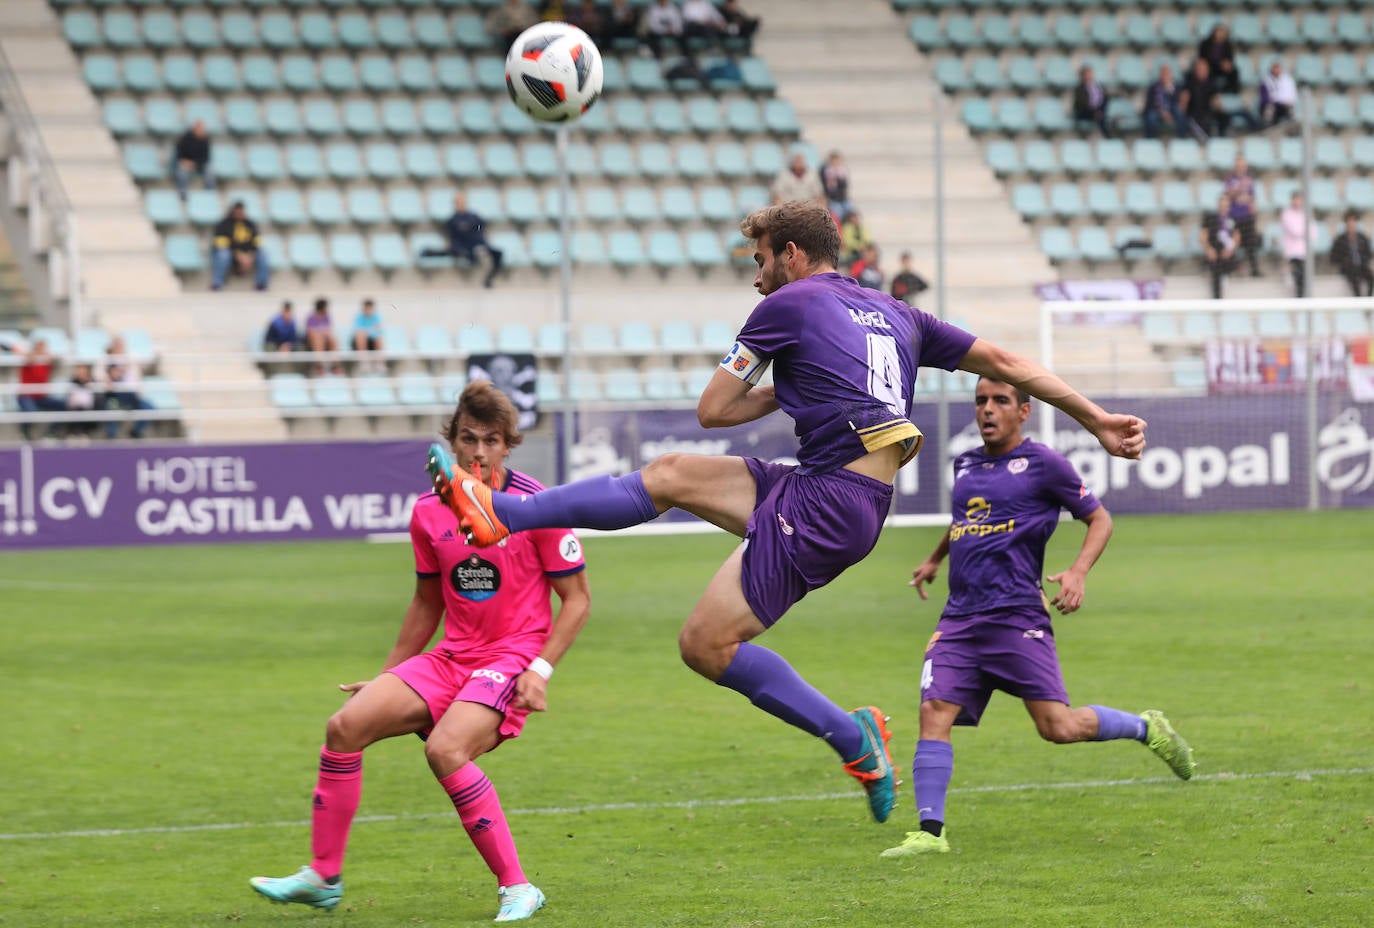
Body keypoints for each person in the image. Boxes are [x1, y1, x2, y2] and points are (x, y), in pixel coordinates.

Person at [424, 200, 1150, 830]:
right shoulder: (900, 312)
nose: (755, 274)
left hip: (829, 501)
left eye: (760, 258)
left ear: (793, 255)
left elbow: (713, 410)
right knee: (670, 475)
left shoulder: (784, 306)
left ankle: (852, 738)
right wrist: (1094, 418)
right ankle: (504, 514)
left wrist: (780, 383)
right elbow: (1010, 360)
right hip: (831, 487)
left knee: (703, 645)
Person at [249, 381, 591, 923]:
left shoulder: (534, 506)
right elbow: (426, 602)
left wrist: (542, 670)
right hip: (451, 657)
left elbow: (577, 600)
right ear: (451, 442)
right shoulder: (429, 512)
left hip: (510, 659)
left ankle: (518, 887)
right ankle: (322, 877)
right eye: (468, 438)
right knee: (345, 726)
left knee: (445, 751)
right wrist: (391, 676)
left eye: (491, 441)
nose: (478, 452)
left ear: (508, 446)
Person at [878, 378, 1194, 860]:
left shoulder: (1044, 464)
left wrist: (1078, 572)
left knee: (1058, 727)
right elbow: (966, 518)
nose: (987, 410)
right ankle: (930, 832)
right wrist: (936, 558)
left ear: (1023, 411)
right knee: (933, 712)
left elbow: (1100, 519)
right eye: (981, 400)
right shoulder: (965, 463)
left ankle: (1145, 727)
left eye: (1000, 401)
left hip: (1016, 615)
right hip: (960, 618)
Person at [420, 193, 505, 289]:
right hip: (465, 248)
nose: (461, 204)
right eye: (458, 202)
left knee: (498, 253)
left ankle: (488, 279)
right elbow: (454, 236)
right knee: (468, 254)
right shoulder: (453, 219)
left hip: (479, 245)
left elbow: (481, 226)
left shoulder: (473, 216)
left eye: (462, 201)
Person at [101, 336, 154, 440]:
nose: (120, 348)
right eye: (117, 346)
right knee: (111, 408)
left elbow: (137, 380)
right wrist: (108, 379)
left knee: (149, 408)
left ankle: (136, 432)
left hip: (131, 396)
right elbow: (99, 376)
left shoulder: (130, 360)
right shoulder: (105, 360)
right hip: (114, 397)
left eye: (122, 346)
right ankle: (111, 436)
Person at [211, 200, 270, 292]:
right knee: (223, 254)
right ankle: (217, 283)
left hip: (247, 253)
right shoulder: (223, 224)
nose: (240, 214)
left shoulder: (250, 224)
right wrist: (238, 254)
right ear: (232, 212)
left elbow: (257, 241)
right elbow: (221, 243)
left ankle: (261, 284)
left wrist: (250, 255)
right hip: (231, 252)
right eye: (237, 212)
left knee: (263, 254)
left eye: (241, 211)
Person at [16, 339, 65, 441]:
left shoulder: (46, 360)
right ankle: (25, 434)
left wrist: (50, 357)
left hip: (41, 397)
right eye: (40, 347)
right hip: (25, 396)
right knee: (30, 411)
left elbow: (59, 361)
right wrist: (37, 356)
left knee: (62, 405)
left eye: (44, 347)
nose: (42, 349)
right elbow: (26, 359)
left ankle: (51, 433)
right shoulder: (30, 358)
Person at [1224, 155, 1262, 277]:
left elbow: (1251, 197)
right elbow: (1228, 195)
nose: (1241, 167)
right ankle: (1234, 268)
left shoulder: (1249, 179)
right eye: (1239, 165)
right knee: (1233, 242)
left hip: (1247, 216)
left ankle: (1254, 269)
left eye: (1243, 165)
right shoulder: (1231, 179)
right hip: (1234, 216)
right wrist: (1239, 187)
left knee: (1251, 242)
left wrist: (1253, 210)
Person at [1201, 192, 1240, 299]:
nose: (1224, 205)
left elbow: (1237, 237)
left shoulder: (1232, 219)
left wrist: (1230, 250)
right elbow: (1203, 236)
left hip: (1227, 251)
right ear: (1218, 203)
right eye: (1222, 202)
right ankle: (1217, 299)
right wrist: (1208, 249)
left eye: (1226, 202)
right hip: (1214, 250)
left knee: (1228, 261)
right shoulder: (1210, 217)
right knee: (1215, 264)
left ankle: (1225, 274)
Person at [1279, 192, 1318, 298]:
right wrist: (1306, 231)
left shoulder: (1306, 213)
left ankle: (1302, 299)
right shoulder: (1286, 214)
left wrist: (1304, 232)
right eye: (1296, 199)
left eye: (1299, 199)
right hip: (1292, 253)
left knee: (1305, 278)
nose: (1298, 202)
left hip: (1305, 253)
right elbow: (1295, 231)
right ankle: (1300, 300)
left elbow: (1314, 232)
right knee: (1298, 277)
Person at [1330, 210, 1374, 298]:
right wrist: (1344, 261)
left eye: (1353, 222)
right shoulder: (1340, 240)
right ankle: (1359, 300)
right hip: (1348, 268)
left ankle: (1368, 300)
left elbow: (1368, 254)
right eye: (1350, 222)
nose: (1352, 225)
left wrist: (1364, 261)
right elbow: (1334, 257)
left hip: (1361, 266)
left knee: (1371, 278)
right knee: (1354, 279)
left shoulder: (1362, 238)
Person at [171, 119, 214, 200]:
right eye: (199, 129)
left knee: (209, 170)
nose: (201, 131)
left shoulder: (205, 140)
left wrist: (195, 163)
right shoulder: (185, 139)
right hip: (186, 163)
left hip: (199, 164)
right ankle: (182, 194)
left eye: (202, 129)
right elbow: (179, 153)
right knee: (182, 171)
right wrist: (185, 162)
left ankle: (209, 193)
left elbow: (206, 158)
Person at [1141, 63, 1186, 140]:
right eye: (1164, 74)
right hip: (1157, 111)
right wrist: (1162, 113)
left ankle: (1182, 139)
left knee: (1179, 112)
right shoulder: (1153, 87)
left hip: (1172, 110)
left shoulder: (1176, 87)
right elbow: (1150, 104)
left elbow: (1177, 102)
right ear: (1160, 75)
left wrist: (1170, 91)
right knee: (1151, 117)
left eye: (1167, 74)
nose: (1165, 76)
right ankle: (1150, 139)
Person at [1180, 58, 1221, 140]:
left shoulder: (1211, 83)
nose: (1201, 71)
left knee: (1220, 117)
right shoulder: (1189, 82)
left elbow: (1216, 99)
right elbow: (1184, 99)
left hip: (1207, 112)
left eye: (1203, 69)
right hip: (1193, 112)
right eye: (1199, 69)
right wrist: (1182, 108)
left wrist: (1218, 105)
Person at [305, 297, 343, 375]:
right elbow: (310, 333)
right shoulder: (311, 318)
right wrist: (321, 334)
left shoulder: (327, 317)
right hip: (313, 343)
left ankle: (335, 365)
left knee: (333, 339)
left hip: (325, 341)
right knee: (318, 339)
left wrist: (324, 334)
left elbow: (328, 330)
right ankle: (319, 366)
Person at [1197, 23, 1239, 94]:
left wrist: (1228, 64)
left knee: (1234, 71)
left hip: (1222, 67)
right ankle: (1210, 91)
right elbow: (1202, 58)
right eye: (1219, 32)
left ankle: (1231, 91)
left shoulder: (1227, 45)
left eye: (1222, 32)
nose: (1220, 34)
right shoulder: (1206, 44)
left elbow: (1230, 58)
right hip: (1210, 65)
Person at [1071, 65, 1110, 137]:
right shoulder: (1079, 88)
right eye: (1087, 74)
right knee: (1099, 115)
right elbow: (1081, 104)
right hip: (1084, 112)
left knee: (1104, 105)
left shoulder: (1097, 86)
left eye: (1090, 74)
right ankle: (1107, 136)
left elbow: (1103, 98)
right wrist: (1094, 109)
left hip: (1097, 111)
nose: (1089, 76)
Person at [350, 298, 386, 373]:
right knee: (361, 336)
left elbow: (379, 330)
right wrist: (370, 331)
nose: (368, 310)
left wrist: (367, 331)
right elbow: (357, 331)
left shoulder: (377, 316)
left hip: (372, 342)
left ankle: (380, 363)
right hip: (359, 343)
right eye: (367, 308)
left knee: (379, 338)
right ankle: (364, 362)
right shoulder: (359, 316)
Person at [1259, 60, 1296, 128]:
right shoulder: (1266, 80)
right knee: (1269, 109)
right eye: (1274, 68)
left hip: (1284, 105)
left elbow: (1292, 95)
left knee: (1290, 110)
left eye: (1278, 68)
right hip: (1272, 105)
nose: (1276, 70)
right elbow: (1265, 97)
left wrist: (1286, 101)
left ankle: (1292, 129)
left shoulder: (1288, 79)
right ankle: (1268, 128)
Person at [819, 150, 852, 218]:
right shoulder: (825, 171)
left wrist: (838, 177)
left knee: (850, 210)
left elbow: (844, 186)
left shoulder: (843, 171)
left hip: (842, 198)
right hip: (831, 199)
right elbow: (826, 187)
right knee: (837, 212)